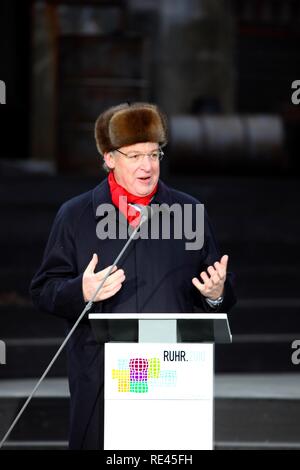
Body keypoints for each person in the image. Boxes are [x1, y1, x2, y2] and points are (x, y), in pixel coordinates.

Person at [30, 102, 236, 450]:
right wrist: (81, 288)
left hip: (170, 373)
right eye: (135, 155)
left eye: (154, 154)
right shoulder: (76, 215)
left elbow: (221, 291)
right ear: (110, 158)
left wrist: (215, 293)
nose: (147, 166)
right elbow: (44, 290)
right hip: (103, 374)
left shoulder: (189, 212)